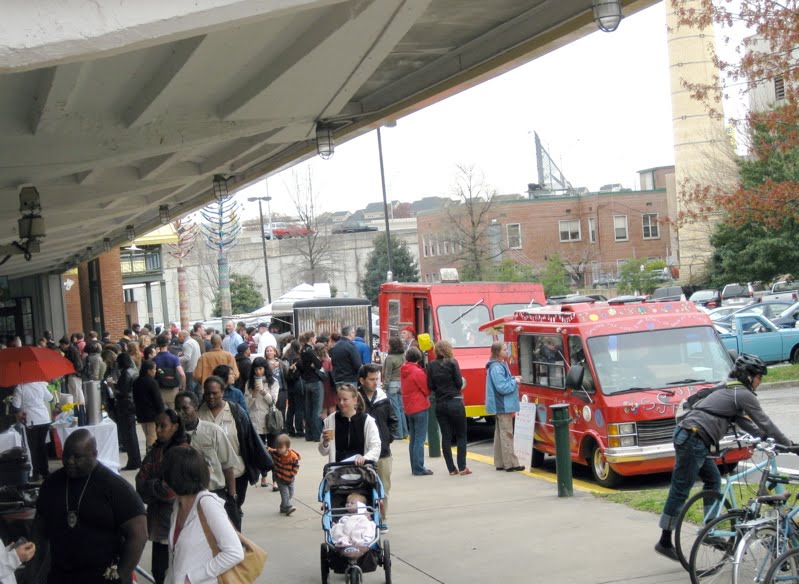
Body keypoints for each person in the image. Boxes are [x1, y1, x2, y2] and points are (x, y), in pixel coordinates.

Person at [655, 354, 797, 561]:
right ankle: (665, 541)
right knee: (681, 489)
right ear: (749, 376)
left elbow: (747, 424)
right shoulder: (742, 394)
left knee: (713, 481)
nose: (760, 382)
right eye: (759, 377)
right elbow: (765, 422)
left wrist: (767, 439)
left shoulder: (731, 389)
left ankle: (709, 531)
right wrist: (790, 445)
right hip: (693, 439)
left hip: (693, 438)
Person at [32, 429, 147, 583]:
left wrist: (123, 573)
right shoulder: (52, 484)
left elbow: (139, 534)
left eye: (77, 457)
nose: (70, 461)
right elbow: (39, 528)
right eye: (67, 455)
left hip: (101, 576)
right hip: (60, 575)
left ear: (94, 454)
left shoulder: (115, 487)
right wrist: (34, 570)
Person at [198, 376, 272, 530]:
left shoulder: (236, 412)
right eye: (207, 393)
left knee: (234, 508)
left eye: (215, 393)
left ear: (223, 392)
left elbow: (249, 439)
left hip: (237, 472)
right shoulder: (199, 413)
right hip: (209, 477)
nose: (211, 397)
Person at [163, 446, 244, 584]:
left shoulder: (208, 505)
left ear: (175, 477)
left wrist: (192, 578)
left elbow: (235, 552)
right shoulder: (178, 505)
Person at [135, 409, 190, 584]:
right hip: (158, 523)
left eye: (163, 426)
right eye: (157, 425)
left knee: (178, 572)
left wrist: (151, 484)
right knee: (159, 572)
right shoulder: (156, 451)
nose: (158, 430)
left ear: (175, 426)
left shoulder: (183, 452)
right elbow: (140, 483)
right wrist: (156, 484)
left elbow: (170, 492)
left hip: (178, 523)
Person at [173, 391, 241, 529]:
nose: (181, 413)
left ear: (196, 408)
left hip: (215, 493)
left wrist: (232, 498)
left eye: (185, 408)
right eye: (177, 409)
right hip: (186, 498)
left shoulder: (213, 431)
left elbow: (227, 466)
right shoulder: (173, 437)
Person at [358, 364, 397, 529]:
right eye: (371, 379)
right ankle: (365, 519)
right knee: (363, 488)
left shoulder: (383, 398)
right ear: (362, 380)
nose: (375, 383)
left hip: (383, 452)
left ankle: (382, 519)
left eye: (377, 379)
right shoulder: (356, 398)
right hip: (362, 452)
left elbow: (393, 419)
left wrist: (388, 437)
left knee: (383, 488)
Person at [426, 340, 470, 476]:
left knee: (446, 436)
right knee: (461, 435)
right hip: (455, 402)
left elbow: (431, 386)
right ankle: (462, 467)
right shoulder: (452, 362)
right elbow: (458, 383)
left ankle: (451, 468)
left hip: (440, 404)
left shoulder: (431, 365)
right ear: (448, 349)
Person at [485, 341, 525, 472]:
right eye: (503, 350)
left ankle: (500, 462)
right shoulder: (497, 367)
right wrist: (515, 381)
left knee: (500, 433)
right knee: (507, 434)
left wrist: (513, 378)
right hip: (503, 405)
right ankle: (511, 463)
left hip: (500, 404)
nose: (506, 351)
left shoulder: (497, 365)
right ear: (497, 352)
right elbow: (502, 387)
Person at [319, 384, 381, 465]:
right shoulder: (330, 420)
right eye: (339, 399)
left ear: (355, 400)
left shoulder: (368, 421)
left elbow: (376, 447)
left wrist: (365, 458)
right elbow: (323, 452)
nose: (341, 403)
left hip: (361, 470)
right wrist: (325, 443)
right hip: (337, 471)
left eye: (345, 399)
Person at [245, 356, 279, 486]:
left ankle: (275, 479)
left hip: (270, 418)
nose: (258, 372)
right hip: (255, 419)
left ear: (265, 368)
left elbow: (273, 401)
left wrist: (263, 392)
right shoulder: (249, 383)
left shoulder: (273, 382)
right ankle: (264, 476)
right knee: (261, 450)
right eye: (256, 369)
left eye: (261, 369)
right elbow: (247, 404)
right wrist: (254, 393)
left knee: (274, 449)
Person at [12, 380, 54, 481]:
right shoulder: (40, 384)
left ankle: (35, 473)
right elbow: (51, 398)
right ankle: (45, 471)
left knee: (33, 448)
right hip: (44, 419)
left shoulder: (20, 387)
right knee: (42, 446)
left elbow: (15, 406)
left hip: (31, 421)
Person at [400, 347, 433, 476]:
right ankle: (419, 467)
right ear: (418, 358)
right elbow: (426, 390)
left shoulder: (403, 370)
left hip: (408, 406)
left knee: (413, 438)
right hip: (419, 406)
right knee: (420, 438)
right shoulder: (417, 372)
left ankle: (414, 466)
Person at [115, 352, 142, 471]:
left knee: (128, 434)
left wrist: (113, 386)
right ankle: (136, 459)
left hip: (125, 404)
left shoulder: (126, 373)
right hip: (133, 402)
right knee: (132, 434)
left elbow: (123, 390)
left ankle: (133, 460)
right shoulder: (134, 370)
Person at [132, 359, 165, 450]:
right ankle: (151, 457)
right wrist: (162, 413)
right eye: (154, 369)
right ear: (149, 370)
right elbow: (158, 400)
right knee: (152, 438)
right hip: (152, 415)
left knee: (148, 435)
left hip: (141, 414)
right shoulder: (152, 382)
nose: (155, 371)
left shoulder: (136, 382)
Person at [298, 331, 324, 442]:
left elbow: (302, 366)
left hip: (307, 381)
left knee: (308, 409)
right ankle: (316, 435)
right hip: (315, 381)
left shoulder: (302, 350)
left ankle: (308, 435)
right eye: (314, 338)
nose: (315, 340)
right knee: (317, 410)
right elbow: (319, 364)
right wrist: (316, 363)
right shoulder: (310, 351)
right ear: (311, 338)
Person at [268, 433, 301, 516]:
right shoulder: (275, 453)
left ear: (287, 447)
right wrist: (265, 448)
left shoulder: (293, 457)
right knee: (285, 493)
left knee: (291, 494)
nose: (278, 449)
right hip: (280, 478)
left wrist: (291, 474)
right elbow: (269, 450)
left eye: (281, 448)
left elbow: (296, 466)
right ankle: (288, 507)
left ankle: (283, 507)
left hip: (290, 479)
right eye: (277, 447)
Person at [382, 337, 408, 440]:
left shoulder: (390, 358)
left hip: (392, 384)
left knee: (395, 409)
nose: (387, 345)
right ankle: (405, 432)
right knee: (401, 409)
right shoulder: (403, 356)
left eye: (389, 344)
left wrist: (385, 385)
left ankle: (398, 433)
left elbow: (387, 374)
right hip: (401, 383)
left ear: (392, 346)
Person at [153, 335, 186, 410]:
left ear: (157, 344)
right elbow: (182, 374)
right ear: (167, 344)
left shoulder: (154, 359)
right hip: (173, 389)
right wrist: (183, 386)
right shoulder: (174, 358)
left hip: (160, 390)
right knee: (175, 412)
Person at [283, 340, 304, 437]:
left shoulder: (285, 357)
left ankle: (290, 429)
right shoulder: (298, 359)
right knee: (299, 408)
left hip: (289, 385)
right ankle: (299, 430)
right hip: (297, 384)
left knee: (291, 408)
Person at [178, 330, 201, 397]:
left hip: (190, 370)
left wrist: (176, 359)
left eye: (179, 336)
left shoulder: (187, 344)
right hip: (197, 369)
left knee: (190, 392)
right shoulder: (194, 341)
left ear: (183, 336)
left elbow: (187, 357)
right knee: (198, 392)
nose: (178, 338)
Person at [317, 342, 337, 417]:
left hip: (320, 386)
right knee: (332, 408)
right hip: (329, 386)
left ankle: (324, 427)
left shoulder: (315, 362)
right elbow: (332, 372)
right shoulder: (328, 361)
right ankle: (332, 426)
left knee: (323, 409)